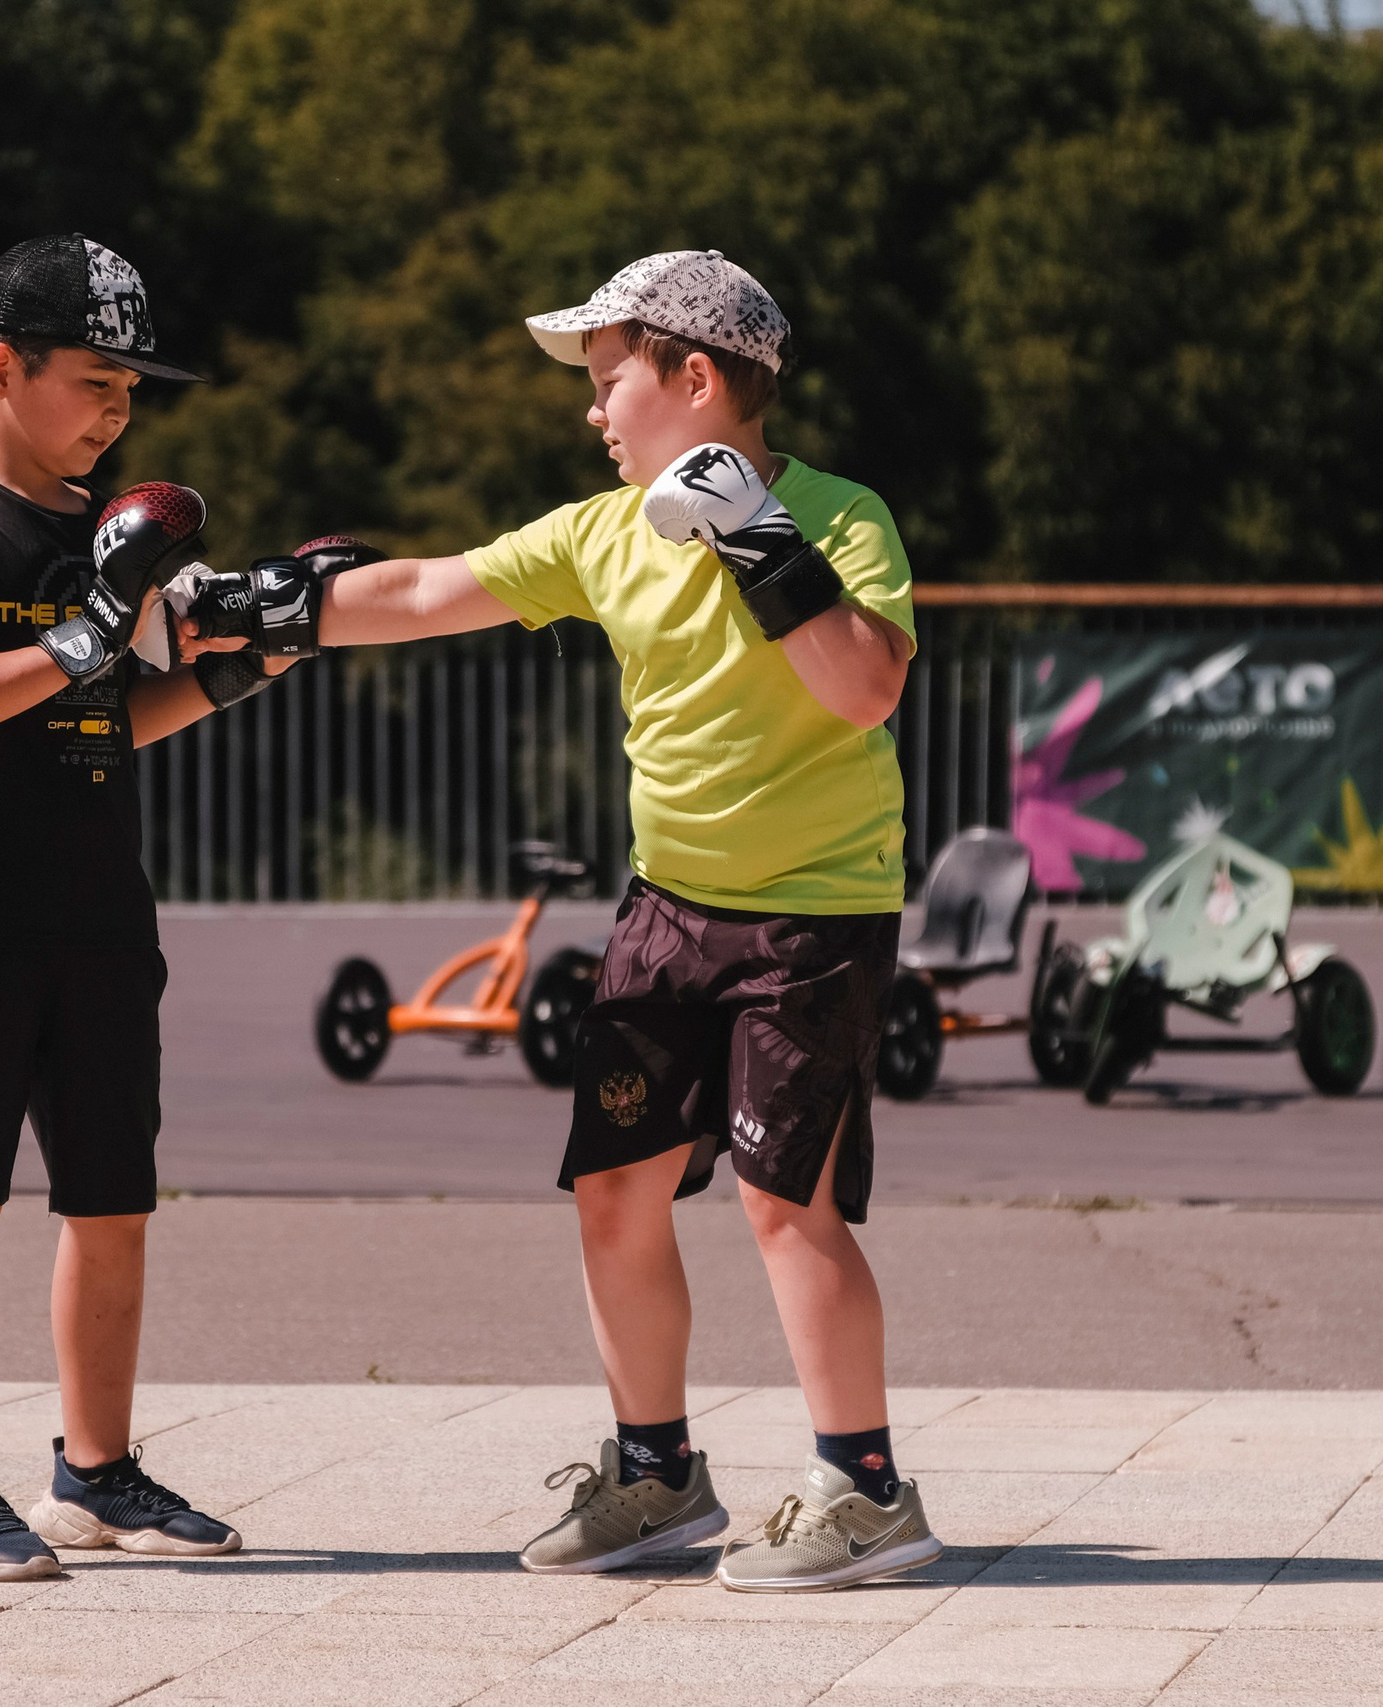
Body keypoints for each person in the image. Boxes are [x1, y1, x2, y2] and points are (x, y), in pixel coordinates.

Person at [183, 250, 941, 1591]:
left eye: (609, 384)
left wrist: (754, 531)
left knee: (786, 1201)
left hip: (815, 914)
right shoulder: (602, 533)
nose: (594, 414)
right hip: (669, 907)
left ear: (695, 380)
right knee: (612, 1186)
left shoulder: (840, 515)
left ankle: (866, 1488)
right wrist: (263, 604)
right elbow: (427, 589)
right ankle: (654, 1471)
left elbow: (866, 688)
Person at [0, 234, 291, 1581]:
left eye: (132, 388)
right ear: (3, 369)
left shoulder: (97, 539)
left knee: (111, 1202)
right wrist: (80, 631)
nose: (119, 409)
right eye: (96, 378)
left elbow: (115, 706)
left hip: (104, 910)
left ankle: (95, 1473)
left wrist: (247, 668)